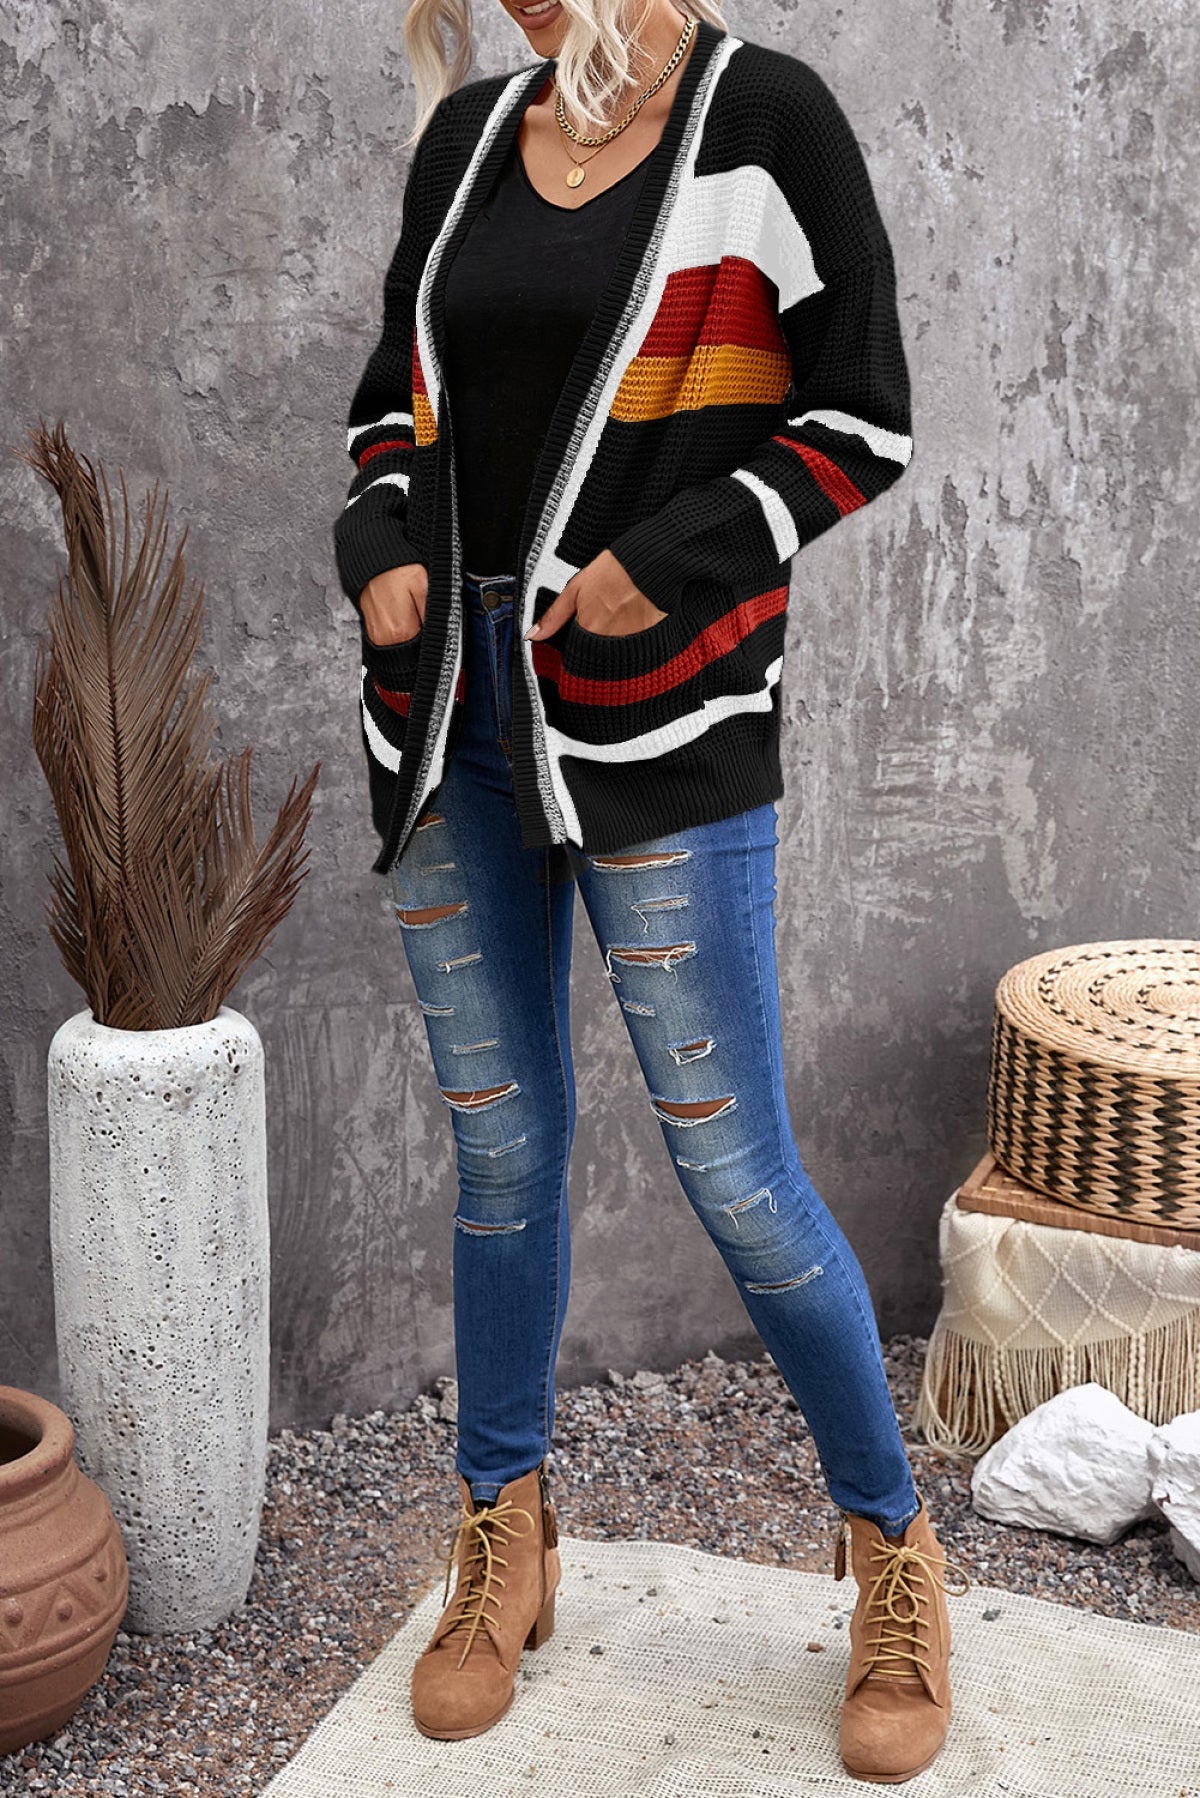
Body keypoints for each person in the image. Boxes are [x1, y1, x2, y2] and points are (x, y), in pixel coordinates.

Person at [333, 0, 970, 1779]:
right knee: (501, 1155)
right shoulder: (474, 141)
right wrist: (379, 550)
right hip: (446, 718)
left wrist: (660, 567)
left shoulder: (769, 120)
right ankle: (507, 1532)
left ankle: (891, 1548)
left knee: (738, 1171)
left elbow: (863, 422)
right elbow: (390, 406)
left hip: (658, 715)